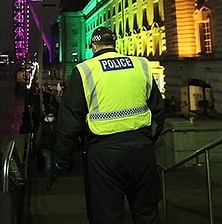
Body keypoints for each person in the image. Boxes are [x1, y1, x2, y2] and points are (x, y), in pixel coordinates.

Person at [54, 26, 165, 224]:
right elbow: (158, 110)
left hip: (104, 153)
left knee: (107, 217)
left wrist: (63, 157)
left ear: (93, 46)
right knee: (147, 213)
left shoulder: (85, 70)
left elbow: (69, 120)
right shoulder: (141, 64)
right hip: (142, 149)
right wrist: (148, 138)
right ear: (114, 43)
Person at [35, 111, 58, 190]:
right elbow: (39, 135)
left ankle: (52, 176)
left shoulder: (56, 123)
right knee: (48, 165)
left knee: (53, 163)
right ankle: (48, 182)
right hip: (46, 148)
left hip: (54, 147)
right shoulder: (43, 125)